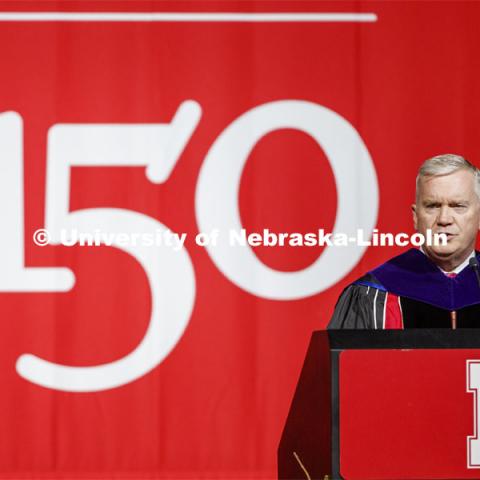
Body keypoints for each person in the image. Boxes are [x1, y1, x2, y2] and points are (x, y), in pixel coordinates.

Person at [328, 154, 480, 329]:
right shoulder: (372, 292)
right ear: (415, 217)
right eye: (432, 206)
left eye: (458, 206)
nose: (444, 219)